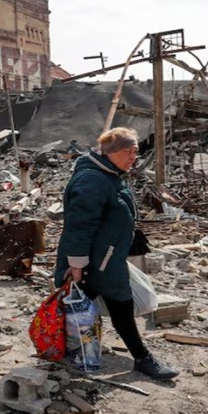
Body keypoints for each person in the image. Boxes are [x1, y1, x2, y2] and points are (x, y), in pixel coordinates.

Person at [53, 127, 179, 380]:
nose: (134, 157)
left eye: (136, 152)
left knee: (82, 306)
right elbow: (79, 225)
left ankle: (73, 350)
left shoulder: (109, 175)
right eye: (128, 151)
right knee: (118, 304)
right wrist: (77, 264)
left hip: (106, 257)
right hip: (96, 261)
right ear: (111, 152)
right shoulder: (93, 180)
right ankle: (142, 358)